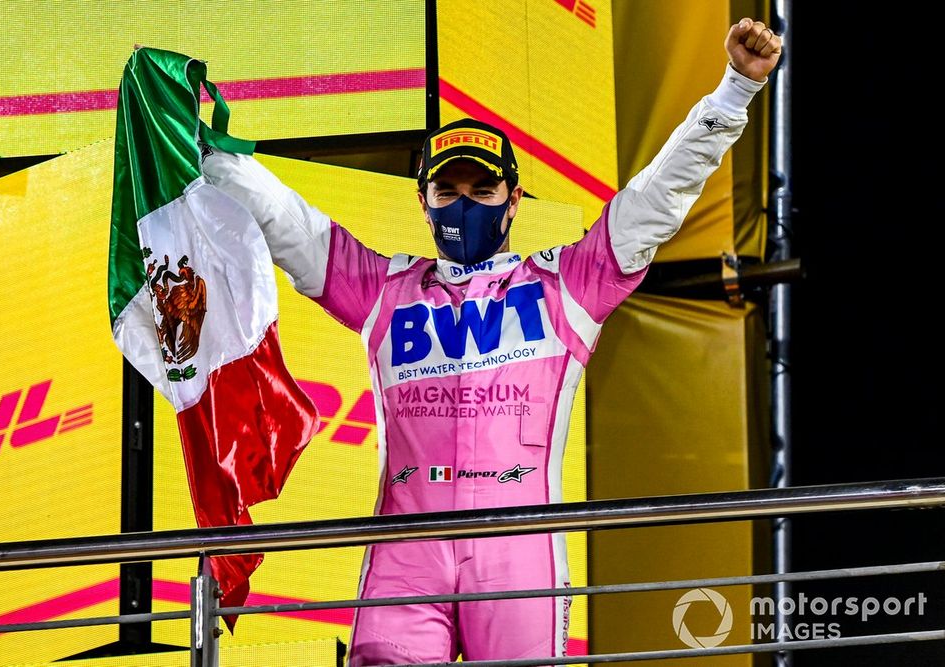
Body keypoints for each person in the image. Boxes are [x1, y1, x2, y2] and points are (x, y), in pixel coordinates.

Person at [202, 17, 781, 666]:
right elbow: (289, 223)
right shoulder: (384, 290)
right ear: (423, 203)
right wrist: (207, 152)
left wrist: (733, 92)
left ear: (513, 202)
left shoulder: (565, 285)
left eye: (483, 190)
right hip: (406, 555)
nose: (464, 204)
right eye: (447, 191)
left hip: (519, 554)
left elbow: (658, 195)